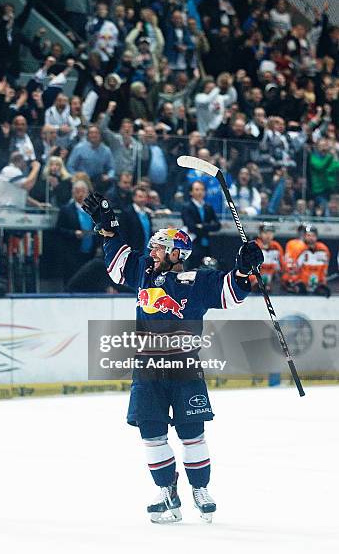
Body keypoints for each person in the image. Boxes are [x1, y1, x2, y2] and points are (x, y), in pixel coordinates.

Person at [82, 192, 263, 524]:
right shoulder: (142, 271)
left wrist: (243, 270)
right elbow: (116, 266)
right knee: (151, 433)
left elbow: (232, 292)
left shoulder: (198, 281)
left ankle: (200, 488)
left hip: (185, 368)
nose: (153, 251)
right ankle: (167, 490)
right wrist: (108, 228)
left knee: (192, 432)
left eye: (160, 247)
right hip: (147, 368)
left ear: (178, 253)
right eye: (153, 246)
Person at [181, 181, 221, 270]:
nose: (200, 192)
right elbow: (191, 226)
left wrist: (202, 226)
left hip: (208, 245)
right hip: (193, 244)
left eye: (202, 190)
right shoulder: (187, 207)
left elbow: (217, 225)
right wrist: (207, 227)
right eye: (197, 189)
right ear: (191, 192)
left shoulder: (208, 207)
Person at [282, 225, 331, 297]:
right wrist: (293, 282)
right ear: (304, 236)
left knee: (325, 291)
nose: (311, 238)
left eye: (313, 235)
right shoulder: (297, 248)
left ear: (316, 236)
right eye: (308, 235)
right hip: (298, 283)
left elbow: (324, 270)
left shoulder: (323, 249)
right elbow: (290, 270)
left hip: (315, 284)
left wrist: (322, 283)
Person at [251, 223, 284, 293]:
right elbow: (248, 269)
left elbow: (282, 267)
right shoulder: (254, 247)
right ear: (260, 234)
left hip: (272, 283)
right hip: (255, 282)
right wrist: (255, 280)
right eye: (265, 233)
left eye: (271, 233)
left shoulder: (276, 247)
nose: (268, 235)